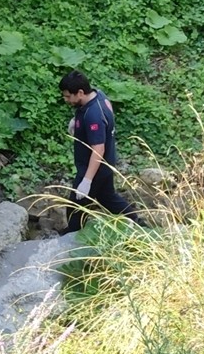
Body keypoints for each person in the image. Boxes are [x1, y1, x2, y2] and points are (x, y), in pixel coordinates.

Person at [59, 70, 147, 234]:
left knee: (76, 206)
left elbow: (98, 149)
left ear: (80, 92)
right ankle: (140, 224)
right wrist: (77, 121)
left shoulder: (93, 115)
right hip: (107, 163)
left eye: (68, 96)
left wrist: (86, 181)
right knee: (108, 198)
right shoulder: (98, 95)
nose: (66, 100)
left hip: (95, 167)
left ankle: (72, 237)